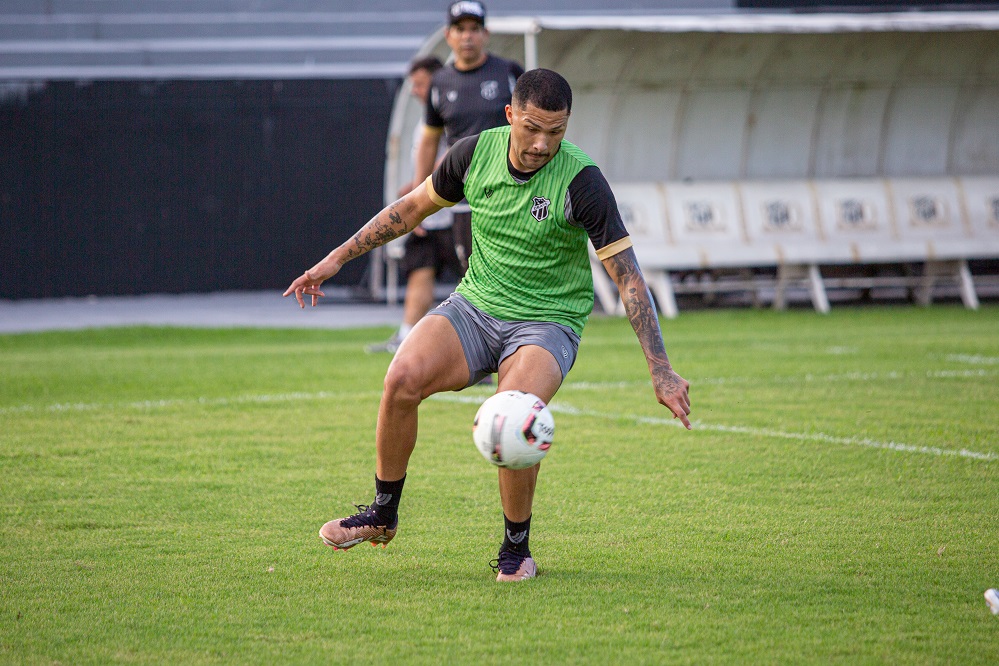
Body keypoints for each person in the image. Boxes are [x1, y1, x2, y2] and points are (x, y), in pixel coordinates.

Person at [284, 68, 692, 582]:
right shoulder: (473, 154)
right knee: (401, 378)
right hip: (476, 306)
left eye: (556, 131)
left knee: (514, 414)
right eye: (532, 128)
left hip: (546, 321)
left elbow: (628, 277)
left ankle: (516, 551)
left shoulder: (582, 180)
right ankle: (382, 515)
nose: (542, 143)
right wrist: (335, 259)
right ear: (510, 116)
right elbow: (409, 210)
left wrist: (660, 368)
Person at [412, 0, 524, 269]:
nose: (467, 36)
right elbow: (430, 140)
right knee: (472, 271)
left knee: (514, 268)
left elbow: (532, 126)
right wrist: (417, 200)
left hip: (510, 191)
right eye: (460, 29)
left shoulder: (508, 73)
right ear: (448, 35)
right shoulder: (440, 82)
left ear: (485, 34)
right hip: (466, 196)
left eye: (474, 28)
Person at [366, 56, 463, 354]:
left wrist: (419, 189)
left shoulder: (451, 108)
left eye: (420, 84)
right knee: (419, 267)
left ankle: (476, 344)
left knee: (471, 278)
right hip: (427, 214)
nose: (414, 91)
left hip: (452, 212)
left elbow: (456, 152)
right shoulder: (427, 116)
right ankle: (407, 336)